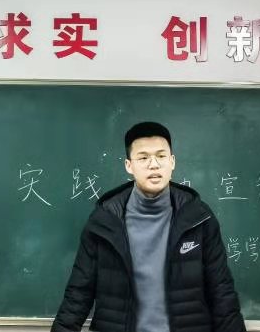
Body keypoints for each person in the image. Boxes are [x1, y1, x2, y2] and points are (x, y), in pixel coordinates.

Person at [51, 121, 245, 332]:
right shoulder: (104, 221)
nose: (154, 165)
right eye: (143, 158)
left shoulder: (198, 218)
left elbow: (221, 291)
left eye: (161, 156)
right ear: (129, 165)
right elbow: (78, 293)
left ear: (172, 162)